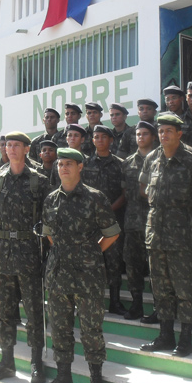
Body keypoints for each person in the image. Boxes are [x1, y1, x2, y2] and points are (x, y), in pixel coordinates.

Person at [38, 148, 121, 383]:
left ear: (80, 167)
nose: (63, 168)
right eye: (60, 164)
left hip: (88, 275)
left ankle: (95, 379)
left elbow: (112, 233)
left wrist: (91, 251)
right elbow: (49, 233)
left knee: (91, 329)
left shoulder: (95, 198)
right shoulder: (51, 200)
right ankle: (64, 377)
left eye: (69, 164)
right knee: (60, 328)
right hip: (59, 273)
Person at [139, 114, 192, 357]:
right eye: (161, 131)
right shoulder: (152, 158)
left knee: (184, 289)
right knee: (160, 288)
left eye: (168, 131)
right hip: (155, 234)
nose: (164, 135)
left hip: (181, 235)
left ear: (179, 133)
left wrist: (188, 216)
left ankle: (185, 339)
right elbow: (143, 188)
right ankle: (165, 335)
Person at [0, 132, 50, 383]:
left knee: (34, 312)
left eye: (16, 145)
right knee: (3, 311)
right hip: (2, 256)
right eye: (7, 145)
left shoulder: (39, 182)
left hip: (30, 254)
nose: (10, 149)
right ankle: (7, 361)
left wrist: (48, 255)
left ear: (26, 149)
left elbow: (49, 222)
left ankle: (36, 362)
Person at [82, 125, 127, 315]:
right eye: (96, 137)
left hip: (113, 221)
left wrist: (108, 210)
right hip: (90, 223)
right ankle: (92, 301)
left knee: (114, 263)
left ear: (111, 141)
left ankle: (115, 301)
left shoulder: (120, 164)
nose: (99, 140)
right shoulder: (85, 164)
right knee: (91, 263)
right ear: (92, 141)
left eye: (103, 137)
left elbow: (125, 193)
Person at [121, 121, 157, 320]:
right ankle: (136, 304)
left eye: (145, 134)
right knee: (132, 265)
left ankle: (159, 308)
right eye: (138, 134)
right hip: (133, 221)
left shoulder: (161, 158)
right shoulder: (127, 162)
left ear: (153, 137)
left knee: (156, 268)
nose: (141, 137)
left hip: (155, 223)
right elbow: (125, 191)